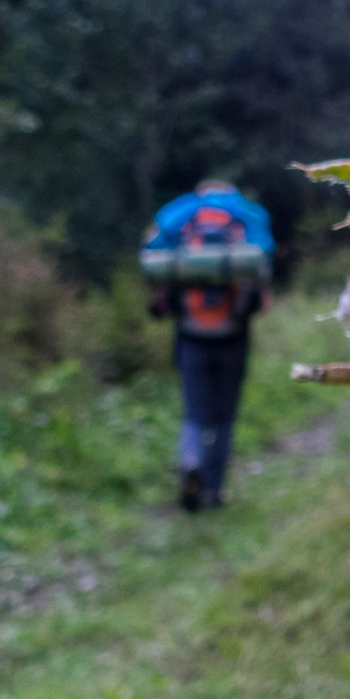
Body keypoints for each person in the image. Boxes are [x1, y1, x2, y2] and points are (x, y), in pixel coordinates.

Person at [143, 180, 275, 512]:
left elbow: (152, 254)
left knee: (194, 413)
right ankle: (214, 490)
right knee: (224, 417)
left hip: (190, 335)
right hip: (233, 334)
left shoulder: (181, 214)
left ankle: (191, 464)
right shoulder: (245, 215)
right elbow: (264, 266)